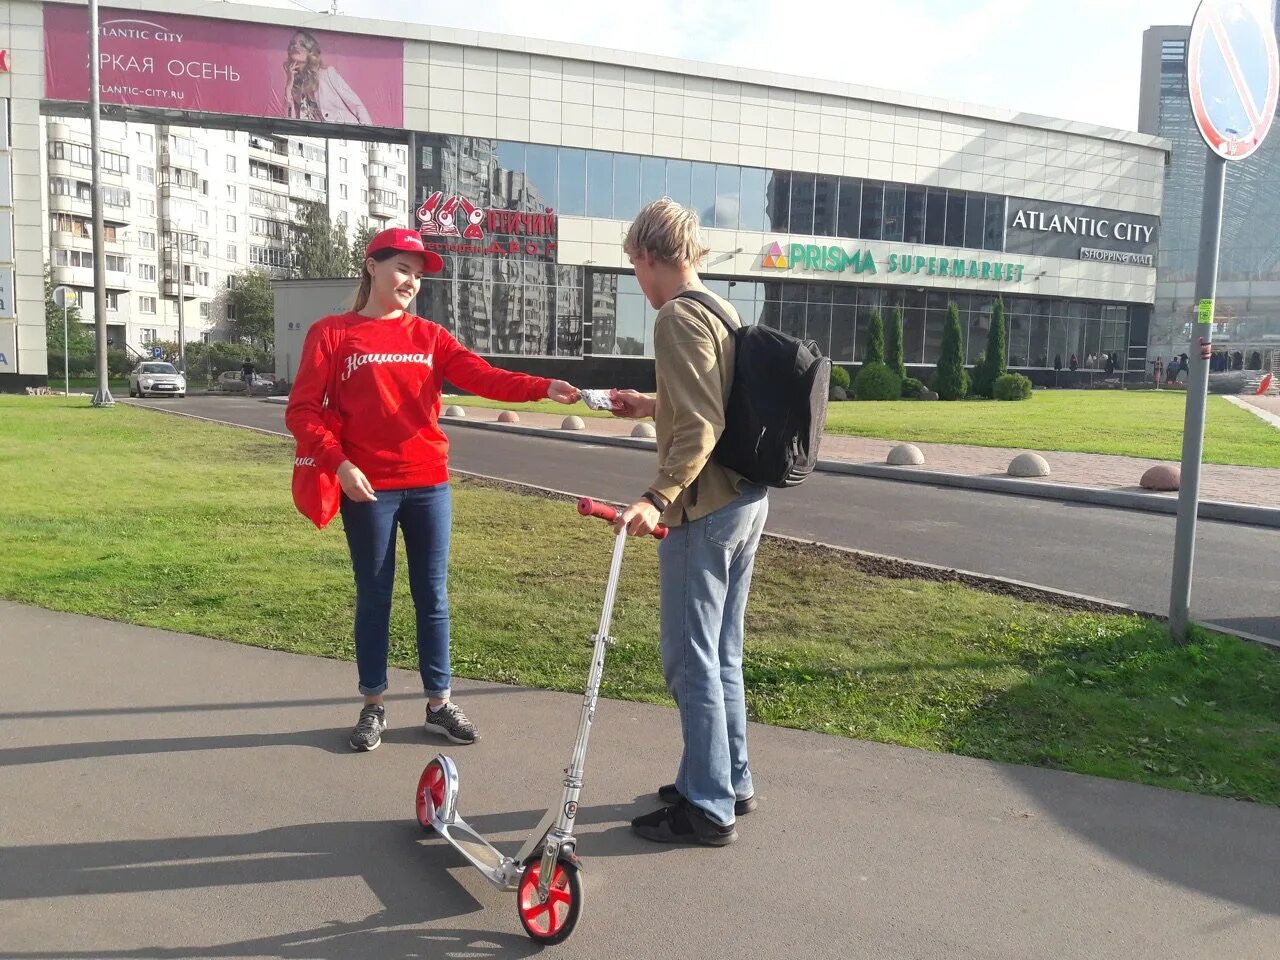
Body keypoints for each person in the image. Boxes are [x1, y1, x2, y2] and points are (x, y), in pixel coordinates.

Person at [285, 227, 579, 751]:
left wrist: (542, 387)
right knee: (375, 596)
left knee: (433, 597)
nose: (411, 282)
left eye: (418, 275)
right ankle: (373, 705)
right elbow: (303, 411)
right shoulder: (333, 333)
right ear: (371, 266)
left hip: (428, 484)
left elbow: (483, 377)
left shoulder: (430, 337)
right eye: (402, 268)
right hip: (367, 487)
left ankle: (438, 704)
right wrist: (340, 465)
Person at [608, 198, 769, 848]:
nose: (638, 283)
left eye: (634, 268)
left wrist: (656, 495)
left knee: (689, 658)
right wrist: (649, 403)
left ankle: (707, 807)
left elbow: (702, 425)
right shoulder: (719, 307)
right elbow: (711, 398)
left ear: (650, 257)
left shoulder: (676, 316)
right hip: (746, 501)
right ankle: (729, 778)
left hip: (703, 509)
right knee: (722, 652)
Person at [283, 30, 372, 125]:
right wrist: (288, 87)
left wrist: (368, 134)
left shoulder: (328, 74)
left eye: (302, 44)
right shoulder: (295, 85)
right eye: (293, 43)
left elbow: (356, 105)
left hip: (344, 133)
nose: (296, 46)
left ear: (311, 51)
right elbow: (289, 122)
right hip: (316, 137)